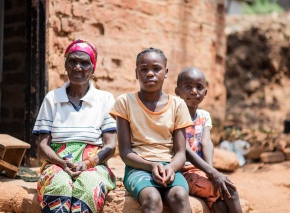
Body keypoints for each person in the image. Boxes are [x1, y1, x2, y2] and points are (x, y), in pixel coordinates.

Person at [33, 39, 117, 213]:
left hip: (94, 164)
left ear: (93, 69)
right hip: (56, 162)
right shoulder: (52, 98)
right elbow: (43, 145)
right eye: (72, 61)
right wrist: (62, 163)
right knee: (59, 185)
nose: (78, 67)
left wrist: (87, 163)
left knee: (87, 186)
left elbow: (110, 145)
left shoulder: (105, 99)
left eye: (84, 63)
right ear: (65, 65)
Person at [110, 47, 193, 213]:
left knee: (179, 196)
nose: (150, 74)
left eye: (156, 69)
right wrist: (152, 166)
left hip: (170, 167)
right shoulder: (125, 102)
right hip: (138, 167)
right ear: (136, 73)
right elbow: (125, 152)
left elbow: (181, 153)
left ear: (166, 71)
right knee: (152, 198)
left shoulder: (178, 105)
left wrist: (171, 168)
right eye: (144, 69)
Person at [175, 67, 243, 213]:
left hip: (201, 169)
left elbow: (206, 143)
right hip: (182, 171)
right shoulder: (175, 115)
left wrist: (210, 172)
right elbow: (185, 150)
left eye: (199, 87)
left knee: (219, 205)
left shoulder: (204, 116)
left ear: (205, 92)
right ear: (177, 92)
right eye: (188, 87)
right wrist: (212, 173)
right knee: (230, 191)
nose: (194, 91)